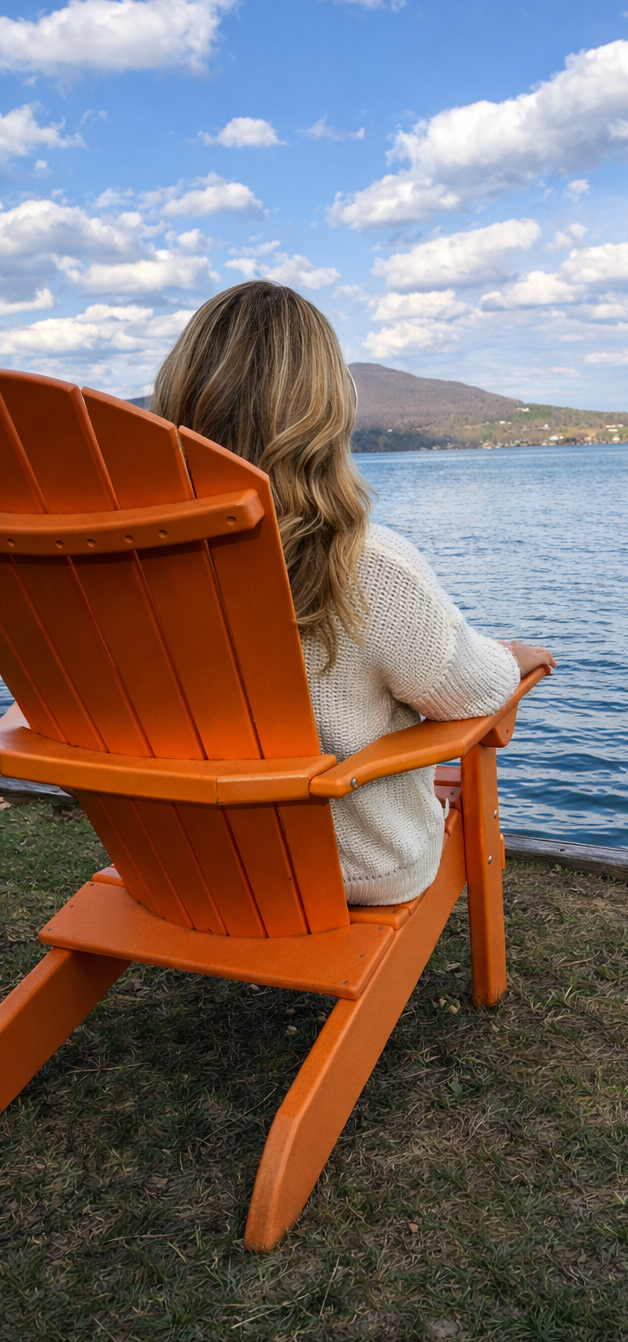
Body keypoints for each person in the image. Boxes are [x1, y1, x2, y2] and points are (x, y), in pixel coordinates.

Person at [150, 281, 555, 905]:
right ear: (328, 412)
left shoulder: (125, 568)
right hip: (353, 866)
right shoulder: (364, 564)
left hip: (180, 859)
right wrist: (511, 660)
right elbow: (472, 695)